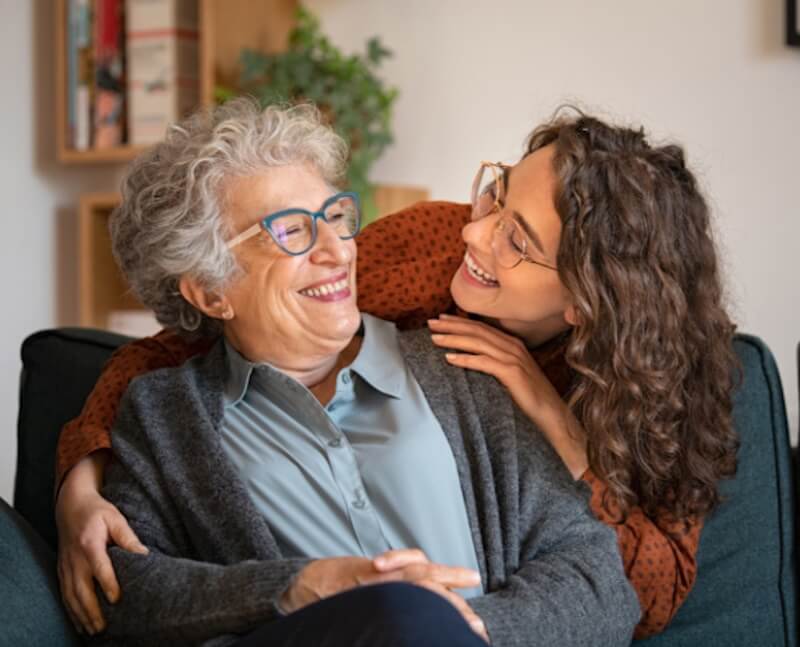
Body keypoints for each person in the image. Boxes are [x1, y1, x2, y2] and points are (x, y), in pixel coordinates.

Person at [56, 105, 737, 640]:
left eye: (335, 218)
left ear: (585, 301)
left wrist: (461, 630)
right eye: (292, 229)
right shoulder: (169, 413)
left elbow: (617, 585)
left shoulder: (480, 377)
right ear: (210, 289)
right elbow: (128, 588)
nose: (338, 248)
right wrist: (78, 484)